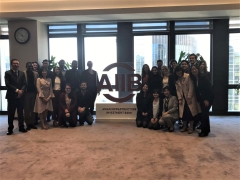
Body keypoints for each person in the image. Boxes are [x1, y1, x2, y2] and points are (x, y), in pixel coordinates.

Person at [174, 66, 201, 134]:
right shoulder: (177, 80)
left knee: (190, 113)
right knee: (183, 113)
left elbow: (191, 87)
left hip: (189, 98)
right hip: (182, 99)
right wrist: (179, 98)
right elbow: (178, 90)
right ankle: (184, 126)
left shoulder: (188, 76)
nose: (179, 73)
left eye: (180, 71)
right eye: (177, 72)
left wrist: (189, 97)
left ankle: (191, 127)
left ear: (182, 70)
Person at [190, 65, 214, 137]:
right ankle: (206, 130)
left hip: (208, 97)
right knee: (204, 114)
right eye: (192, 69)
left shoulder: (203, 76)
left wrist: (206, 99)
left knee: (204, 114)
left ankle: (204, 132)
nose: (194, 70)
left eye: (195, 69)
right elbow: (197, 90)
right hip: (202, 98)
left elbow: (208, 88)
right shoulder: (195, 78)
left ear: (198, 69)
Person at [5, 59, 27, 135]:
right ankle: (10, 128)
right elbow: (7, 84)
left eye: (17, 63)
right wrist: (17, 90)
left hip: (21, 96)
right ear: (11, 64)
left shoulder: (22, 73)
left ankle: (21, 127)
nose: (16, 65)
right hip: (11, 96)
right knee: (11, 113)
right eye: (14, 63)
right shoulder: (7, 73)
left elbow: (25, 83)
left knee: (21, 113)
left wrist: (21, 91)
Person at [23, 62, 39, 130]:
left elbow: (37, 83)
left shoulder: (36, 73)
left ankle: (32, 123)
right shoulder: (23, 73)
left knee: (33, 109)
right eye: (29, 66)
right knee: (27, 109)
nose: (30, 67)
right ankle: (27, 124)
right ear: (26, 66)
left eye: (31, 66)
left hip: (33, 93)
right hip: (26, 93)